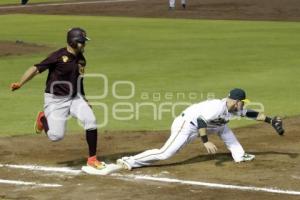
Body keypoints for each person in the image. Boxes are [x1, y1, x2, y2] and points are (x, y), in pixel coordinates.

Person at [10, 28, 106, 174]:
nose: (84, 45)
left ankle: (92, 159)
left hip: (75, 97)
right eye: (81, 42)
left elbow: (79, 80)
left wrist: (84, 98)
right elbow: (36, 69)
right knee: (56, 136)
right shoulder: (58, 56)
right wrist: (20, 83)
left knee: (91, 120)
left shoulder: (81, 59)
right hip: (55, 101)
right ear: (73, 42)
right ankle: (43, 119)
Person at [117, 88, 284, 170]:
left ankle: (240, 155)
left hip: (206, 125)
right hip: (187, 126)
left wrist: (270, 120)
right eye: (242, 102)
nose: (243, 104)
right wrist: (205, 141)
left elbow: (251, 114)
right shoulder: (216, 107)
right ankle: (129, 160)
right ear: (235, 100)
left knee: (223, 128)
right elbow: (200, 121)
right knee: (166, 153)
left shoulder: (233, 108)